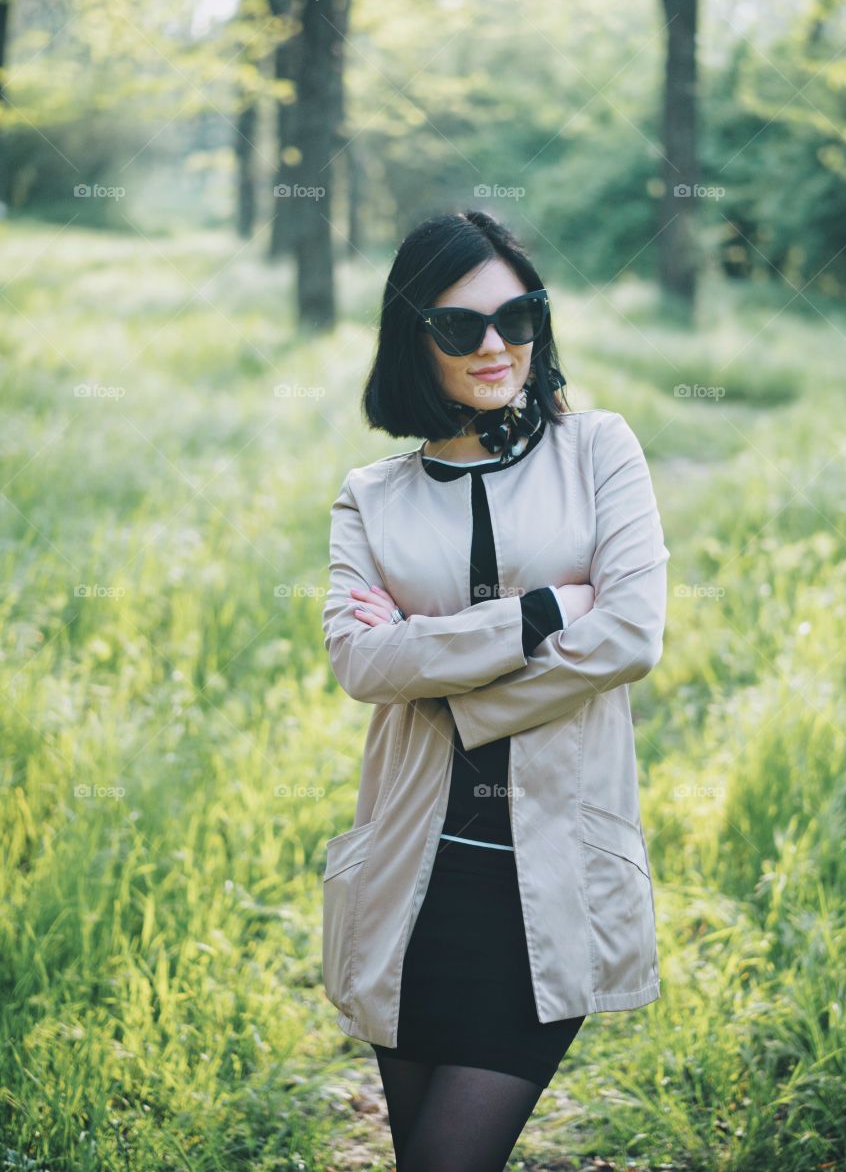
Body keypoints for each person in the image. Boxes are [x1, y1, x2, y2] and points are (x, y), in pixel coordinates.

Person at [321, 208, 670, 1171]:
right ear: (412, 336)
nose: (494, 346)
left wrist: (460, 696)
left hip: (550, 874)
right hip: (414, 876)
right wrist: (540, 615)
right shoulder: (371, 496)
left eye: (517, 318)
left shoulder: (600, 449)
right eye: (459, 326)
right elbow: (362, 663)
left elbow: (632, 634)